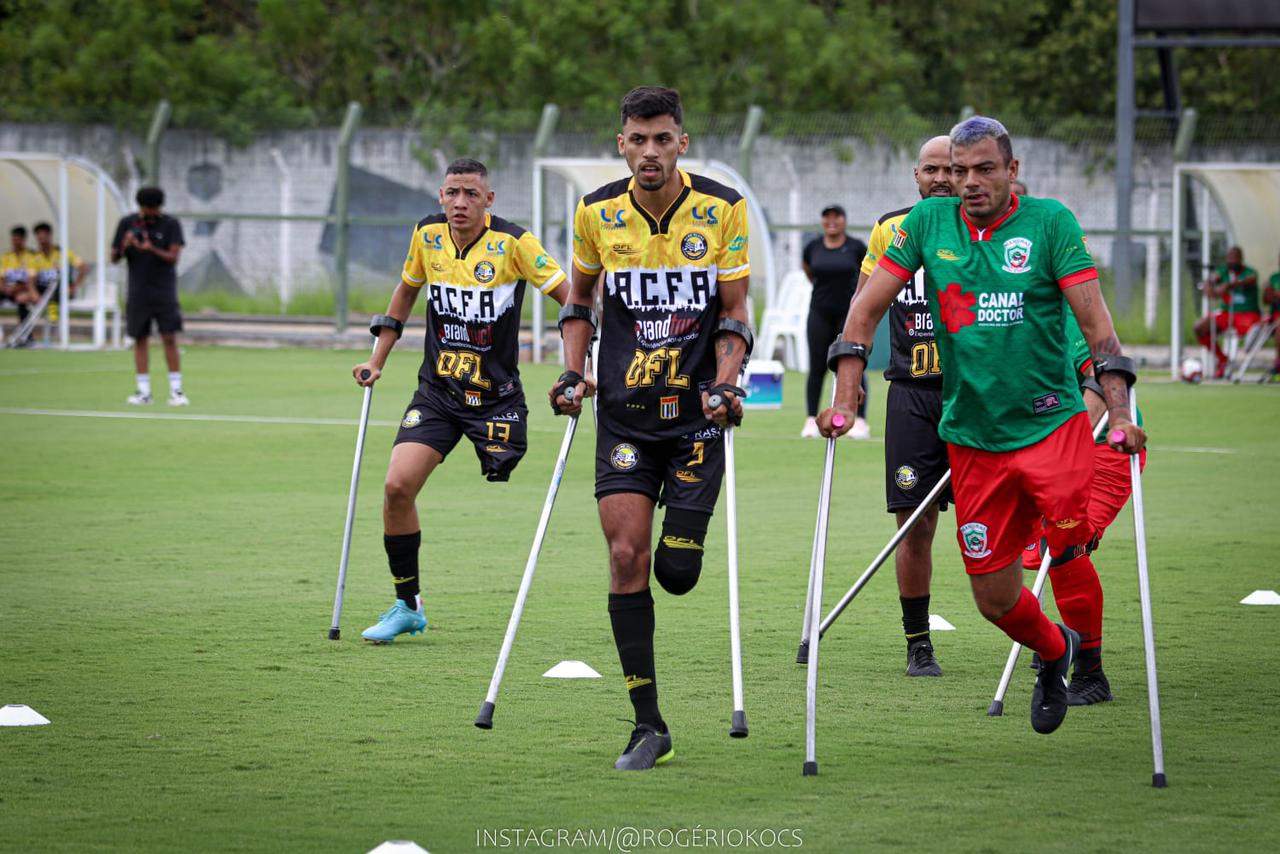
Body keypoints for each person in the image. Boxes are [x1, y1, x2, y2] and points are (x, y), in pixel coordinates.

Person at [819, 116, 1147, 736]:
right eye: (959, 171)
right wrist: (846, 396)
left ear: (1011, 170)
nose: (969, 183)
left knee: (1065, 545)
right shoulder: (924, 225)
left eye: (983, 170)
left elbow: (1100, 333)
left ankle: (1093, 668)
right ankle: (1056, 652)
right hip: (971, 439)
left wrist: (1122, 414)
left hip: (1053, 429)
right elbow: (863, 313)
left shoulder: (1051, 224)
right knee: (994, 598)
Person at [552, 86, 752, 770]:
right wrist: (572, 371)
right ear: (622, 144)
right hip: (625, 418)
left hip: (697, 417)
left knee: (677, 571)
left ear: (681, 143)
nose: (649, 153)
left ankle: (686, 541)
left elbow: (735, 312)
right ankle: (648, 724)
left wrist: (728, 381)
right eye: (637, 140)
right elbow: (578, 299)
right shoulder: (595, 211)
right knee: (625, 558)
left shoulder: (722, 209)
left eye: (661, 139)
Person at [351, 158, 568, 644]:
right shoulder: (426, 236)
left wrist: (582, 364)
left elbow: (569, 298)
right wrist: (377, 359)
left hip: (496, 400)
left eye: (471, 193)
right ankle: (408, 604)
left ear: (488, 200)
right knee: (395, 488)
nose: (460, 203)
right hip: (438, 393)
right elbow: (405, 293)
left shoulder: (514, 242)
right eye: (452, 193)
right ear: (440, 197)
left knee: (503, 481)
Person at [853, 134, 954, 677]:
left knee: (1006, 520)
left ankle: (1031, 635)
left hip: (977, 398)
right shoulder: (891, 229)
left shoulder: (984, 228)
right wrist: (852, 371)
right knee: (913, 525)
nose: (941, 178)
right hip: (912, 396)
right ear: (916, 175)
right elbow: (864, 304)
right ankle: (918, 643)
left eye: (950, 169)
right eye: (930, 169)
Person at [1021, 310, 1146, 705]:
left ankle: (1090, 674)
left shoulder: (1064, 309)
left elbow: (1100, 374)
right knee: (1023, 548)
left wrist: (1067, 442)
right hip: (1038, 441)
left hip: (1101, 445)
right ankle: (1054, 643)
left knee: (1064, 548)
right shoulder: (994, 307)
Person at [111, 187, 187, 405]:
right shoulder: (128, 223)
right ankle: (143, 392)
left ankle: (177, 391)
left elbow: (173, 257)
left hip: (164, 291)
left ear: (160, 207)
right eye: (146, 208)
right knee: (140, 338)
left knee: (169, 338)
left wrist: (150, 248)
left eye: (153, 208)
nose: (149, 212)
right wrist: (124, 245)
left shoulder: (170, 224)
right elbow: (114, 257)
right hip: (138, 291)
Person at [800, 205, 869, 439]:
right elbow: (809, 272)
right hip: (819, 312)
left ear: (844, 220)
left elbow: (867, 272)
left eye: (836, 216)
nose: (831, 221)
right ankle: (811, 419)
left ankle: (860, 420)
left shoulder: (856, 247)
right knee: (817, 367)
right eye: (826, 216)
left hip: (848, 314)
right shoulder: (812, 247)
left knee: (852, 364)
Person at [1194, 246, 1261, 378]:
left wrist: (1230, 285)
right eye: (1229, 259)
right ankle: (1223, 360)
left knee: (1254, 331)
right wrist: (1209, 286)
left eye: (1235, 258)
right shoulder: (1223, 271)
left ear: (1241, 259)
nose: (1232, 261)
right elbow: (1212, 279)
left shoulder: (1250, 272)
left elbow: (1250, 280)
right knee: (1200, 327)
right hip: (1227, 314)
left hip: (1247, 314)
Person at [31, 221, 88, 324]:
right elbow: (31, 278)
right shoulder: (35, 256)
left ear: (49, 235)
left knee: (56, 284)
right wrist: (33, 293)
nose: (41, 239)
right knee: (26, 297)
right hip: (44, 291)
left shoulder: (63, 252)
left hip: (62, 291)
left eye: (43, 235)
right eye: (39, 236)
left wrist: (74, 286)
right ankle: (28, 331)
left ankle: (53, 317)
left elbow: (83, 268)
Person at [2, 226, 37, 342]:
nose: (15, 243)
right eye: (13, 240)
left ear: (23, 240)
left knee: (23, 302)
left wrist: (16, 288)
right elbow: (1, 277)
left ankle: (26, 336)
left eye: (17, 240)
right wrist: (4, 288)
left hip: (22, 291)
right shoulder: (6, 256)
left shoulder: (31, 256)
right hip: (7, 290)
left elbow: (31, 280)